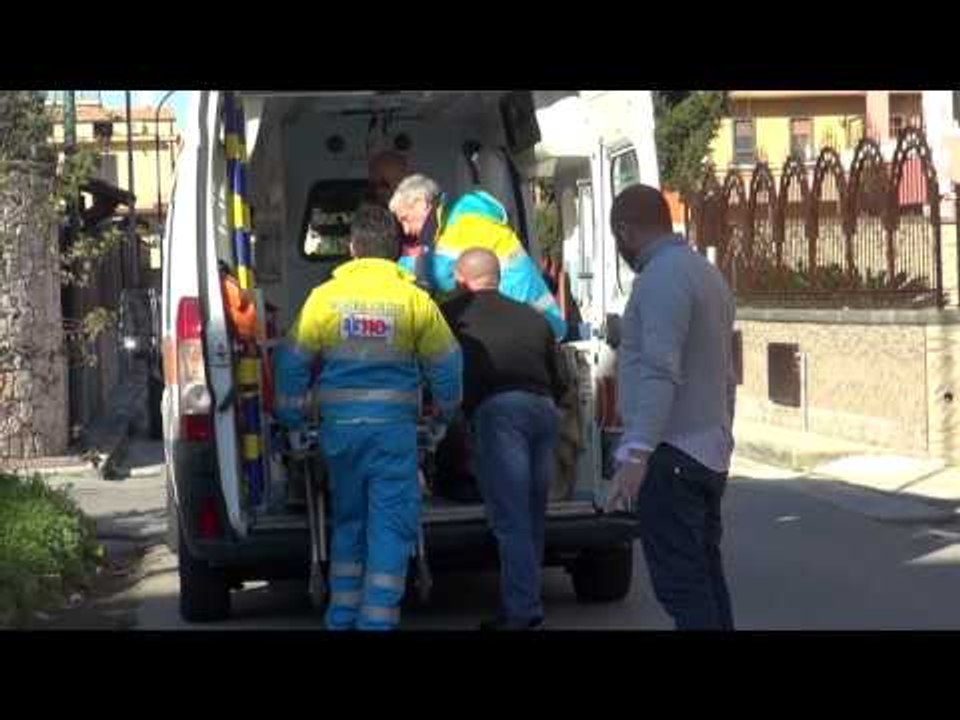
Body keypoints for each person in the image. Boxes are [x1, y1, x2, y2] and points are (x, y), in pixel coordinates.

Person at [273, 203, 462, 631]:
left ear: (353, 248)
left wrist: (292, 420)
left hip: (339, 436)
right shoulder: (414, 300)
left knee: (348, 519)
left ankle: (341, 615)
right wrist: (443, 417)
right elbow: (448, 366)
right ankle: (376, 621)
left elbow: (291, 362)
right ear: (396, 251)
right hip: (393, 436)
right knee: (390, 526)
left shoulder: (324, 299)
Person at [604, 184, 737, 631]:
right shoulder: (705, 273)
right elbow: (725, 373)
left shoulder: (662, 278)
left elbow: (661, 371)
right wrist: (725, 436)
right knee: (704, 579)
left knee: (683, 587)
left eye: (616, 238)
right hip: (705, 451)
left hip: (672, 453)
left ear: (625, 231)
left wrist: (636, 453)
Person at [441, 248, 564, 630]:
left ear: (462, 278)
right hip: (544, 411)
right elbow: (559, 379)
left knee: (511, 519)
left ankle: (522, 611)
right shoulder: (534, 318)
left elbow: (440, 369)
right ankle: (528, 602)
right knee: (531, 514)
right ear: (498, 277)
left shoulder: (452, 315)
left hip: (501, 414)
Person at [388, 174, 567, 341]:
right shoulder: (453, 220)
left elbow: (441, 273)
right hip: (524, 323)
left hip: (538, 329)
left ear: (420, 203)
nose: (405, 229)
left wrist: (386, 267)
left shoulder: (464, 221)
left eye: (405, 219)